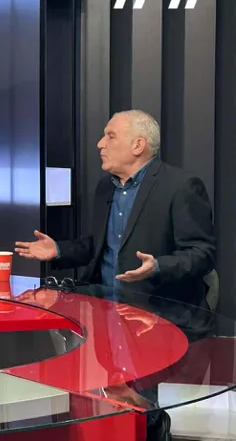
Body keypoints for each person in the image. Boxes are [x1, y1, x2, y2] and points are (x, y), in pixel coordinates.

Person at [15, 109, 215, 309]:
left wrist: (157, 266)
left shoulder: (180, 186)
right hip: (105, 307)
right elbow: (98, 247)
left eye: (110, 136)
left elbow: (202, 254)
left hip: (160, 310)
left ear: (138, 145)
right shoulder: (105, 187)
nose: (100, 144)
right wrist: (58, 250)